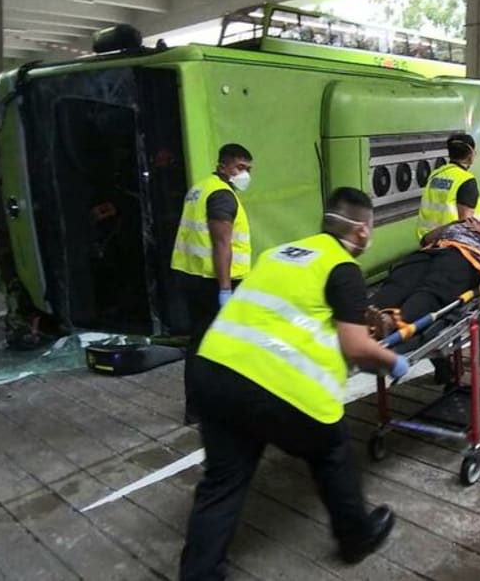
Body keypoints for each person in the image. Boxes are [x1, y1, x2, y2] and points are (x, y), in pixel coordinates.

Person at [179, 188, 407, 579]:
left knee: (223, 481)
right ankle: (356, 537)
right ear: (362, 231)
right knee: (331, 450)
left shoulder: (280, 253)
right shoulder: (342, 268)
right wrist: (394, 362)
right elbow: (356, 347)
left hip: (214, 371)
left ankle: (199, 573)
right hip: (274, 386)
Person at [368, 217, 480, 383]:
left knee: (434, 288)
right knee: (400, 279)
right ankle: (370, 315)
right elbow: (426, 240)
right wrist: (455, 224)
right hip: (434, 250)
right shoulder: (461, 225)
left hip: (469, 257)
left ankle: (393, 322)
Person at [170, 143, 254, 425]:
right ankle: (217, 405)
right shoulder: (221, 195)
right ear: (223, 166)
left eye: (248, 169)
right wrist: (225, 289)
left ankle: (197, 408)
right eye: (240, 168)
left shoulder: (200, 188)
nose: (245, 174)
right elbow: (221, 244)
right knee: (221, 345)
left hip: (191, 274)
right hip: (213, 281)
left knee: (200, 342)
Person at [417, 133, 480, 241]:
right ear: (471, 154)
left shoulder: (435, 175)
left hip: (428, 239)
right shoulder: (466, 179)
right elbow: (466, 222)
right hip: (453, 241)